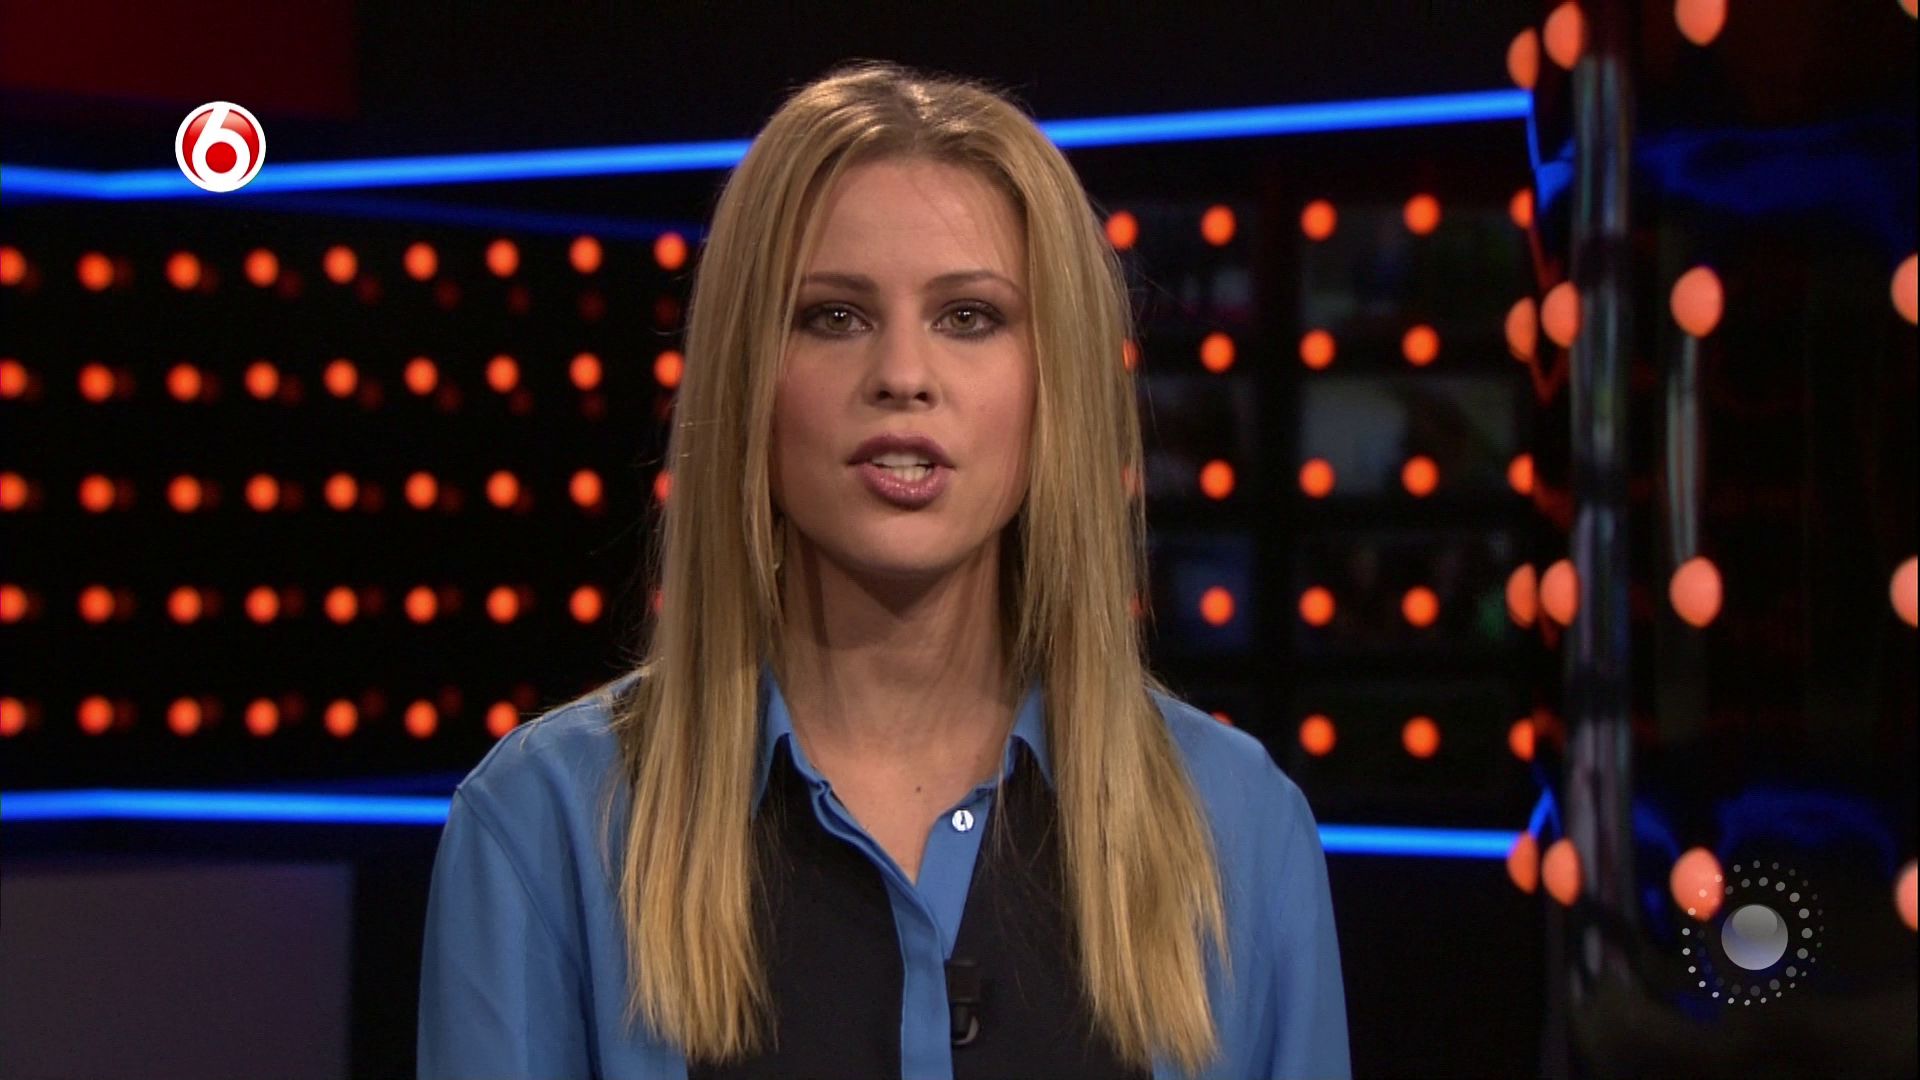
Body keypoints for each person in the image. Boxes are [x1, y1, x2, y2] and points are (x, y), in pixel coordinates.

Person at [418, 58, 1351, 1080]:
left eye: (969, 317)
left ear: (1057, 385)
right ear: (748, 377)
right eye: (834, 316)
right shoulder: (547, 825)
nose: (903, 376)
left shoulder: (1241, 831)